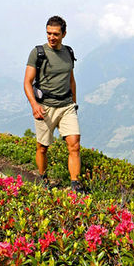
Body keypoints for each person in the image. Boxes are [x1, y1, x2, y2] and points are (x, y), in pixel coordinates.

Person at [23, 15, 83, 191]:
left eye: (55, 34)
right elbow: (27, 82)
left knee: (75, 144)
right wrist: (34, 105)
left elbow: (71, 79)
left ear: (64, 34)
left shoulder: (68, 53)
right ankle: (43, 179)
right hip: (45, 106)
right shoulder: (38, 53)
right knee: (42, 148)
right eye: (49, 33)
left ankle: (75, 185)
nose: (51, 37)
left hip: (66, 106)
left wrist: (74, 103)